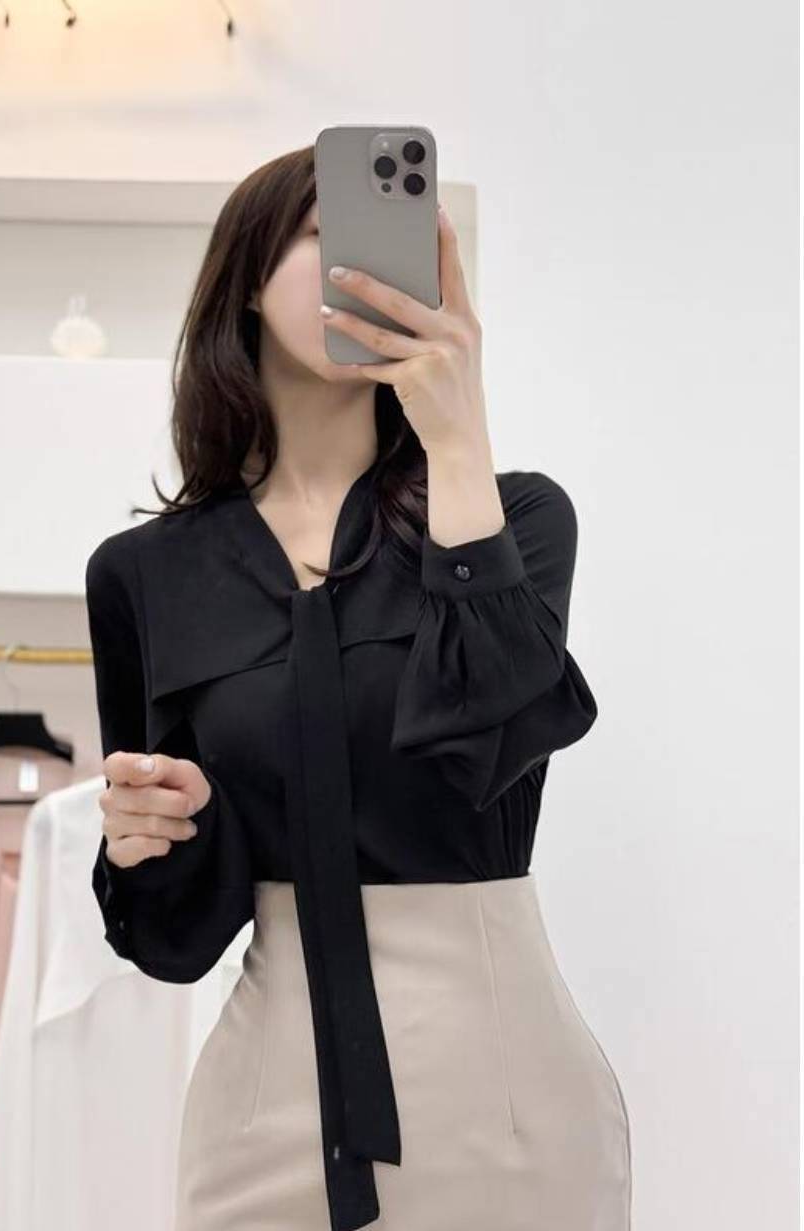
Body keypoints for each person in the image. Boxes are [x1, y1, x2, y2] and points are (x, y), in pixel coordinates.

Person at [84, 145, 632, 1231]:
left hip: (504, 1098)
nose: (360, 262)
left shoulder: (517, 517)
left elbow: (490, 747)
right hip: (263, 1114)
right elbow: (177, 939)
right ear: (248, 280)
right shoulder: (144, 575)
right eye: (320, 232)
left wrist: (457, 434)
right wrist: (145, 841)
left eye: (385, 237)